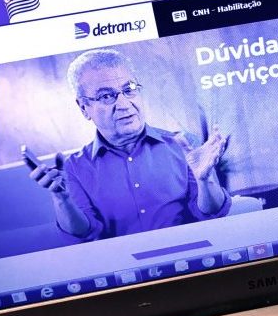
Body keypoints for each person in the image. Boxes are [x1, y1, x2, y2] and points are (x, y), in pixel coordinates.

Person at [29, 49, 230, 241]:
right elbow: (84, 234)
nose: (124, 104)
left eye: (129, 90)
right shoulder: (73, 167)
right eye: (106, 96)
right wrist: (62, 199)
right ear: (84, 108)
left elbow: (213, 214)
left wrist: (205, 181)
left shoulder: (186, 146)